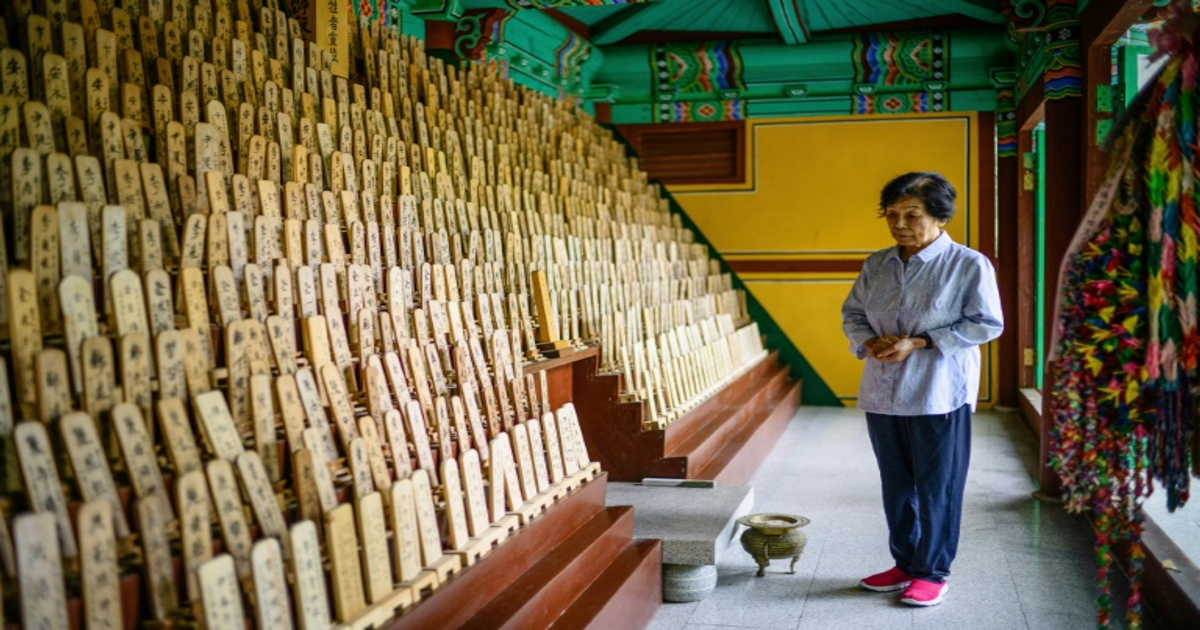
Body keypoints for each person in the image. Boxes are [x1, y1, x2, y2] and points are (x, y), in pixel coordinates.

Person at [840, 172, 1004, 607]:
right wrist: (867, 340)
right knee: (896, 484)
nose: (899, 224)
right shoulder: (877, 264)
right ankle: (906, 562)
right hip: (883, 392)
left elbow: (987, 323)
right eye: (892, 215)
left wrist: (920, 342)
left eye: (912, 214)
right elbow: (853, 313)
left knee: (937, 486)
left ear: (940, 217)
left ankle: (933, 571)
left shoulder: (969, 265)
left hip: (938, 393)